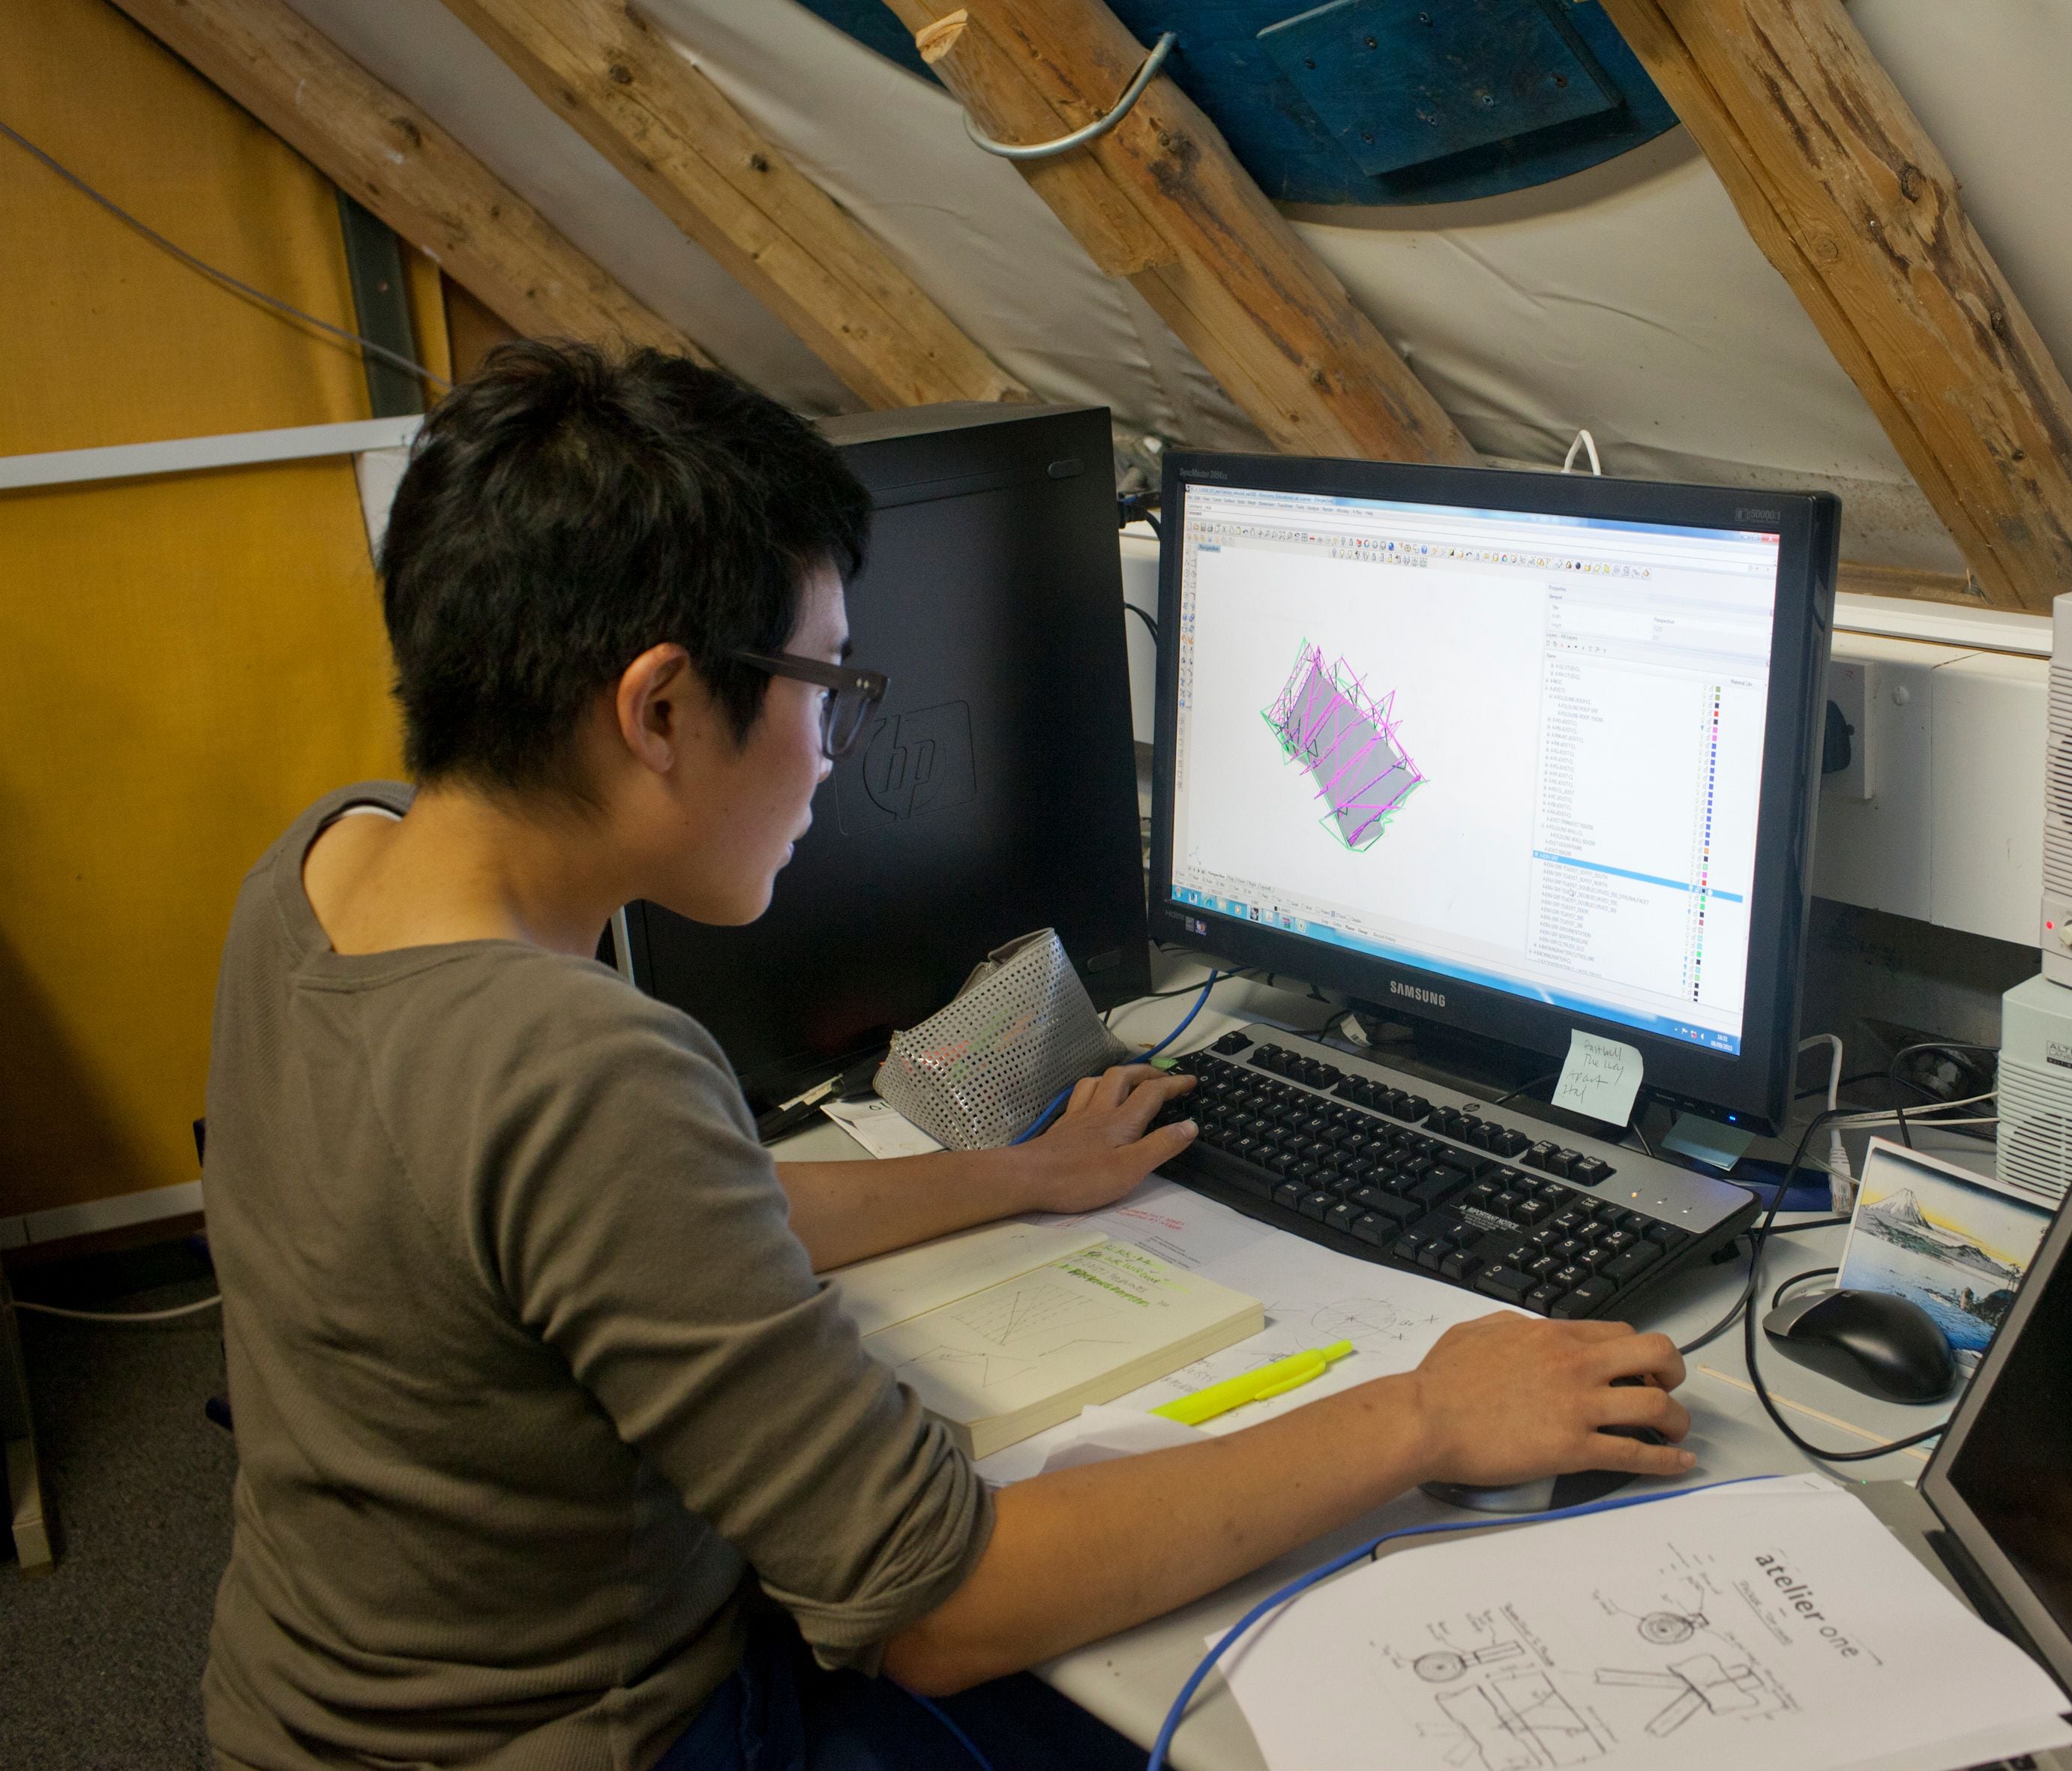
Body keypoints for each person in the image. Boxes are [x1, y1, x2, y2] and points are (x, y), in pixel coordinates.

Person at [201, 342, 1696, 1771]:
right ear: (659, 708)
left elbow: (638, 1228)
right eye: (828, 685)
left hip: (316, 1707)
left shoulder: (333, 865)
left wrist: (1018, 1175)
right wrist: (1422, 1409)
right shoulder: (580, 1067)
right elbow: (940, 1608)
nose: (837, 749)